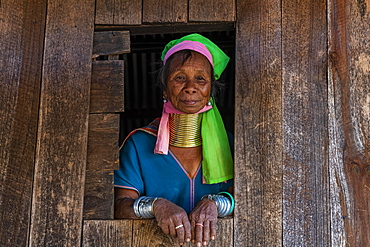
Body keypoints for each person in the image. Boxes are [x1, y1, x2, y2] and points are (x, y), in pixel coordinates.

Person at [114, 33, 234, 246]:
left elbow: (251, 198)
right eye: (179, 77)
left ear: (210, 91)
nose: (190, 86)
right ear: (165, 89)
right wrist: (156, 206)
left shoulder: (230, 146)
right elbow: (119, 206)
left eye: (201, 78)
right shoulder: (138, 144)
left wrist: (215, 203)